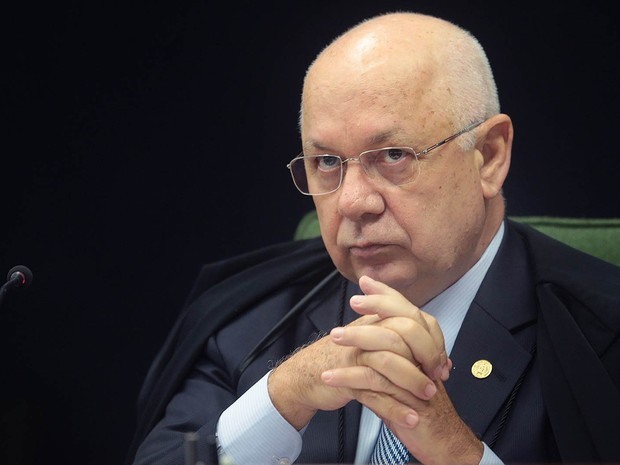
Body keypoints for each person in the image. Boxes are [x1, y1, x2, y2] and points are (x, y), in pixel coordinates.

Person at [126, 11, 620, 465]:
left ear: (489, 156)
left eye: (393, 155)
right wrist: (282, 397)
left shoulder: (600, 336)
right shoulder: (250, 319)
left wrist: (453, 449)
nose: (353, 202)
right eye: (327, 163)